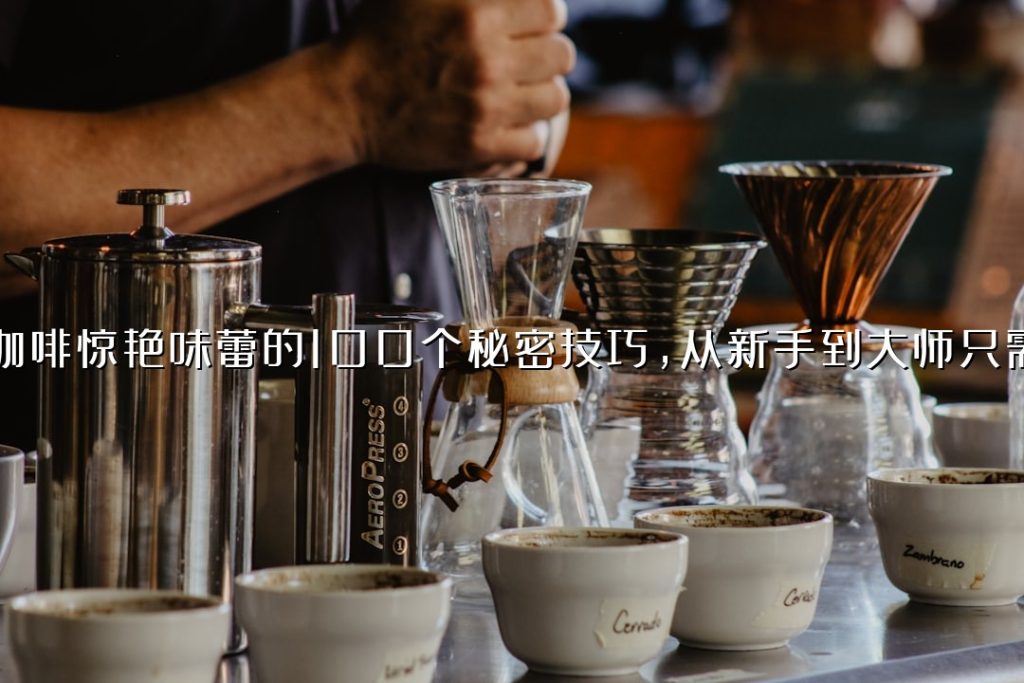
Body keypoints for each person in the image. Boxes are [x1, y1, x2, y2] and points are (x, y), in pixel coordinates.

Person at [0, 0, 576, 450]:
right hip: (104, 489)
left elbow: (521, 80)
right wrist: (353, 99)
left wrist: (513, 116)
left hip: (428, 467)